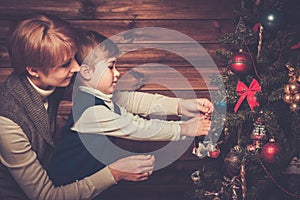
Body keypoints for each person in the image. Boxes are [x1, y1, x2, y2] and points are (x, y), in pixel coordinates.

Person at [0, 14, 155, 200]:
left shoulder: (52, 80)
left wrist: (182, 107)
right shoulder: (7, 123)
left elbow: (113, 97)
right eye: (66, 64)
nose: (76, 67)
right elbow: (47, 196)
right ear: (33, 70)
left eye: (74, 58)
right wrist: (115, 173)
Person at [47, 30, 214, 187]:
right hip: (67, 184)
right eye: (111, 66)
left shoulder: (99, 98)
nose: (117, 72)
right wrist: (184, 128)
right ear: (87, 72)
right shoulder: (91, 110)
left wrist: (181, 106)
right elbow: (136, 126)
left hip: (86, 181)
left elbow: (138, 101)